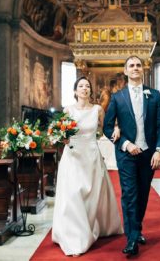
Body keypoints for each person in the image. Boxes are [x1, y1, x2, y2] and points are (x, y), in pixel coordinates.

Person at [103, 55, 160, 256]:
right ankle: (132, 240)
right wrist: (125, 143)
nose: (135, 68)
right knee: (130, 194)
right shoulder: (117, 97)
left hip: (148, 154)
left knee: (143, 194)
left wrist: (159, 150)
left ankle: (135, 228)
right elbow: (107, 127)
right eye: (131, 65)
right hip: (127, 154)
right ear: (125, 71)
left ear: (143, 69)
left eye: (138, 65)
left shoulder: (154, 95)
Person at [52, 77, 123, 257]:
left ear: (91, 91)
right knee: (74, 195)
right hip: (73, 156)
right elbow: (60, 132)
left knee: (91, 196)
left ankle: (95, 225)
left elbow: (106, 128)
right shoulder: (68, 110)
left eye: (88, 86)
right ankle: (76, 237)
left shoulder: (97, 109)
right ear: (75, 91)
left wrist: (116, 128)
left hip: (91, 156)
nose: (85, 89)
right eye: (81, 86)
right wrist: (62, 138)